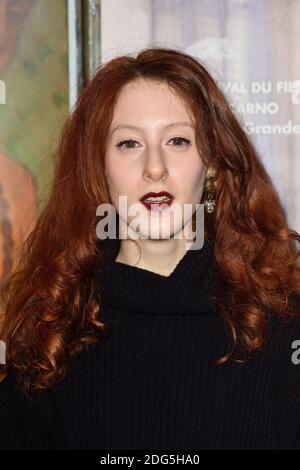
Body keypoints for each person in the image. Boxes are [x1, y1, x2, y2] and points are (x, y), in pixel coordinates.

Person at [0, 46, 300, 450]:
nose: (154, 167)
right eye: (129, 144)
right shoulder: (49, 337)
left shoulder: (285, 324)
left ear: (212, 164)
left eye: (177, 140)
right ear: (97, 167)